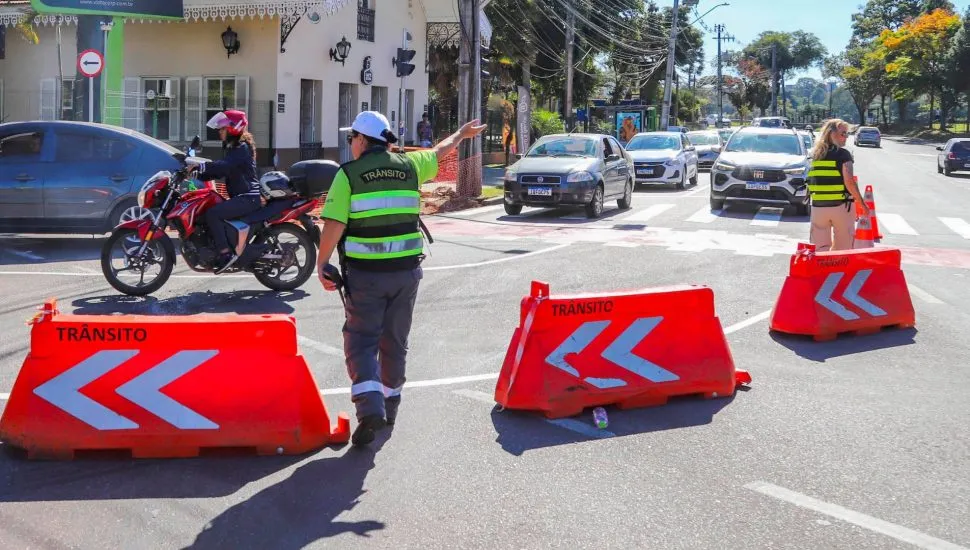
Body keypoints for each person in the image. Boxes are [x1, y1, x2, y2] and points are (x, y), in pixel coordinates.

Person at [316, 111, 486, 447]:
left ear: (361, 140)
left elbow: (334, 223)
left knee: (361, 341)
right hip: (406, 274)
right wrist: (460, 134)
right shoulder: (410, 165)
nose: (350, 144)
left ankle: (370, 408)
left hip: (366, 275)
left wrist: (322, 263)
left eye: (351, 138)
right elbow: (438, 152)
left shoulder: (348, 174)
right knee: (394, 341)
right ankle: (389, 406)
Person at [190, 110, 262, 273]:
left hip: (247, 198)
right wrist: (198, 174)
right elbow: (220, 171)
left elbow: (224, 166)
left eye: (222, 129)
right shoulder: (234, 148)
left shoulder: (241, 148)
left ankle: (225, 254)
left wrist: (201, 166)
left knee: (213, 214)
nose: (219, 132)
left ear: (233, 128)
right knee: (208, 210)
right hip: (242, 197)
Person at [807, 118, 870, 251]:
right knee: (843, 247)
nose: (846, 137)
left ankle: (822, 264)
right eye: (843, 133)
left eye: (847, 134)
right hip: (841, 207)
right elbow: (849, 181)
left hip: (818, 207)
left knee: (819, 248)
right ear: (832, 134)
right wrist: (861, 203)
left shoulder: (815, 155)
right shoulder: (843, 154)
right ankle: (836, 265)